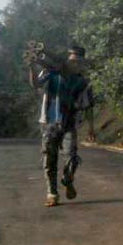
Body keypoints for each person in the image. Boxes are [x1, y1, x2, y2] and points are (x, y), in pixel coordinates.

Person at [29, 44, 96, 207]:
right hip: (49, 123)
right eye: (72, 60)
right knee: (49, 159)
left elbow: (88, 106)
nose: (75, 64)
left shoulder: (82, 82)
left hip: (69, 123)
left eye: (78, 61)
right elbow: (35, 84)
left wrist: (91, 128)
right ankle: (52, 193)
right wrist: (31, 66)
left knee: (71, 157)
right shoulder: (51, 73)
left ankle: (67, 179)